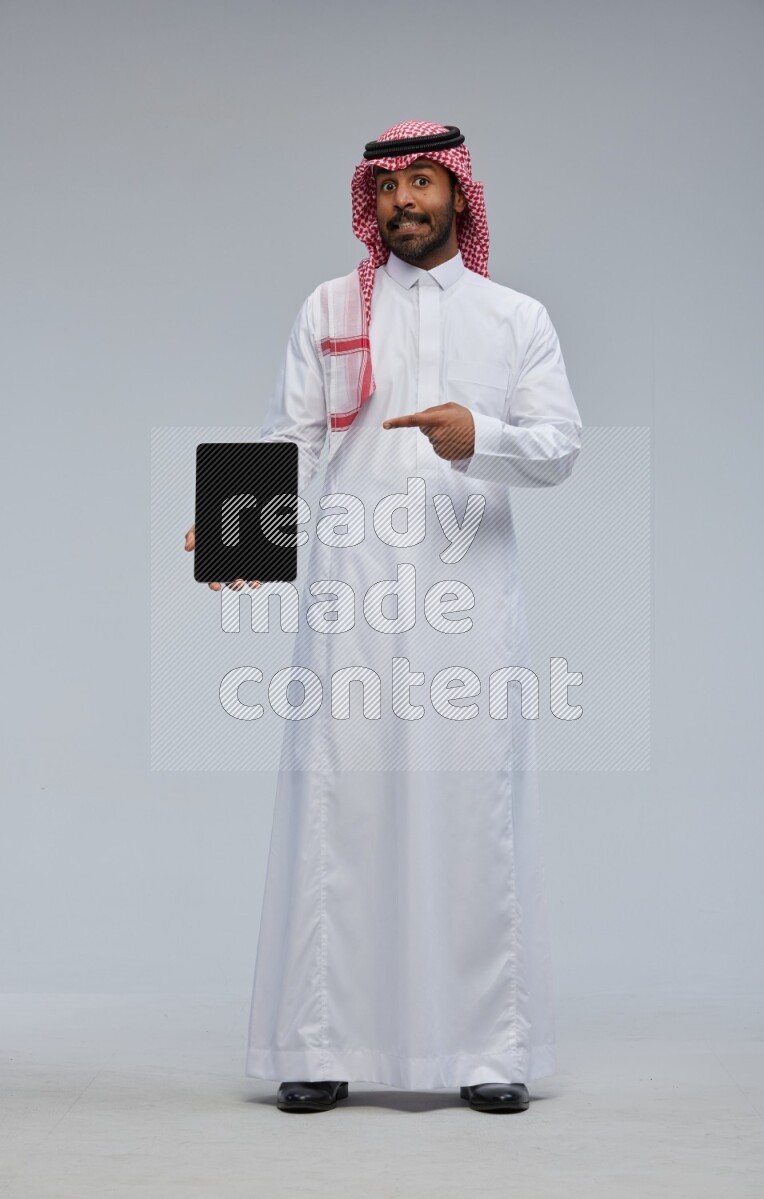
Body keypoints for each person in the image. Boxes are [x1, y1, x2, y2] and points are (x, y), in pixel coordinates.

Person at [185, 120, 582, 1114]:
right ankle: (319, 1045)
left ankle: (489, 1050)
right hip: (351, 597)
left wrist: (478, 433)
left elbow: (558, 447)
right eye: (387, 186)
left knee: (472, 811)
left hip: (467, 604)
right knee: (340, 807)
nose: (404, 200)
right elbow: (292, 439)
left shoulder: (514, 318)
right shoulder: (329, 306)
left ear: (458, 193)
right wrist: (236, 530)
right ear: (370, 200)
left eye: (422, 181)